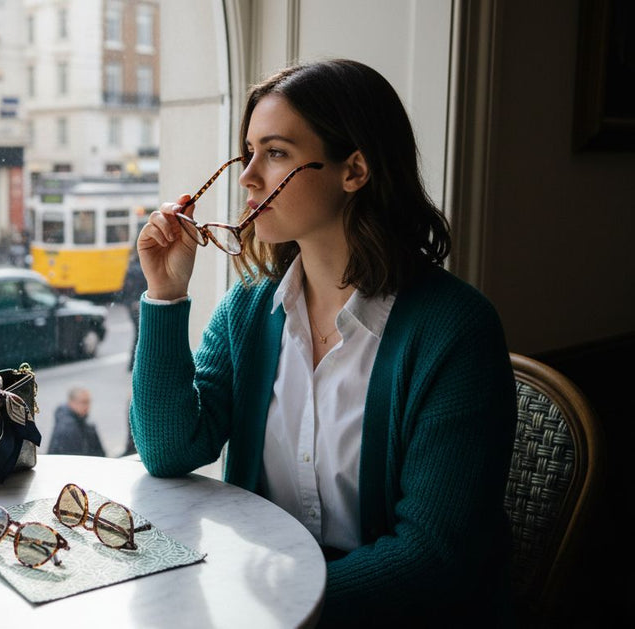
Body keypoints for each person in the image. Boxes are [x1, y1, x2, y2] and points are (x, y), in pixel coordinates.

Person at [129, 59, 516, 627]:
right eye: (249, 151)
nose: (248, 176)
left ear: (354, 169)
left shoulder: (455, 331)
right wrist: (165, 295)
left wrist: (275, 607)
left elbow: (434, 559)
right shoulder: (249, 309)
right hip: (270, 595)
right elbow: (169, 450)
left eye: (277, 153)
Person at [47, 387, 105, 457]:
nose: (87, 406)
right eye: (84, 402)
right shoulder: (68, 428)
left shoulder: (85, 422)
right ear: (71, 402)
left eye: (89, 402)